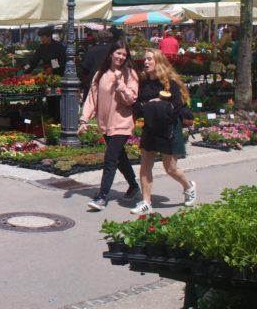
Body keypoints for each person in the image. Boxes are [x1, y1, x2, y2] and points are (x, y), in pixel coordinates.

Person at [130, 49, 197, 215]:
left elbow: (179, 105)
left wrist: (159, 103)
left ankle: (189, 187)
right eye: (144, 59)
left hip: (169, 129)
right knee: (145, 166)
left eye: (149, 59)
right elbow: (138, 106)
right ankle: (146, 202)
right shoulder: (143, 83)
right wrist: (146, 106)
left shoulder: (170, 82)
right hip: (151, 128)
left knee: (170, 168)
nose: (145, 62)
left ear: (158, 61)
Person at [80, 41, 141, 211]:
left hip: (122, 122)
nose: (121, 57)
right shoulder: (100, 74)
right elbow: (92, 99)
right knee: (120, 157)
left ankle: (102, 196)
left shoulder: (130, 74)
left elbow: (131, 99)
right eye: (118, 53)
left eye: (124, 54)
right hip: (105, 123)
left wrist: (120, 84)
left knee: (110, 158)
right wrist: (84, 120)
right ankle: (134, 186)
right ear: (111, 54)